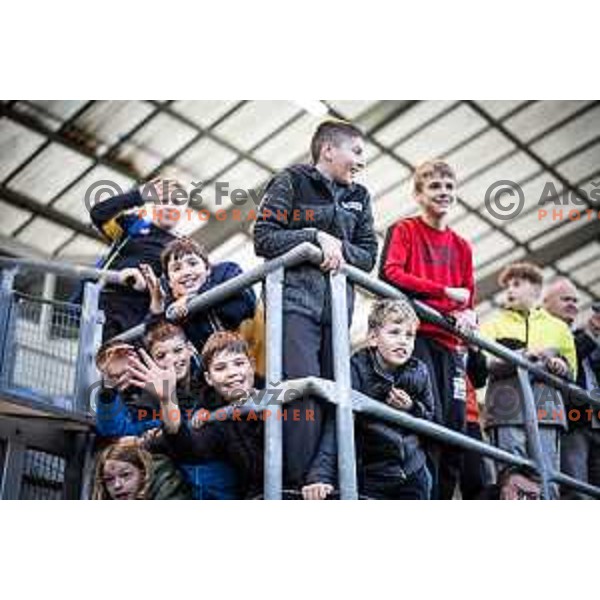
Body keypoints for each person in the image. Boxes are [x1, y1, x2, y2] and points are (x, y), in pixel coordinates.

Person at [253, 119, 378, 492]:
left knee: (335, 395)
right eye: (356, 152)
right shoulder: (291, 180)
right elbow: (264, 238)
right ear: (327, 149)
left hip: (339, 313)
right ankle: (294, 485)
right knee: (302, 392)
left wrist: (336, 247)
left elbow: (368, 256)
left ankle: (323, 479)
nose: (361, 162)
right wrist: (314, 237)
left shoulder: (362, 196)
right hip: (293, 305)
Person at [379, 160, 476, 499]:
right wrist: (444, 294)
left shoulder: (462, 246)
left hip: (450, 347)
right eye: (435, 187)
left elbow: (468, 299)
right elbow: (391, 274)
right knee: (426, 422)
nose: (444, 193)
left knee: (454, 428)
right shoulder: (404, 230)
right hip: (417, 338)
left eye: (449, 186)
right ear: (418, 195)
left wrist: (469, 315)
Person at [94, 321, 239, 499]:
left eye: (177, 351)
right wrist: (109, 384)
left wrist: (155, 439)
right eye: (161, 355)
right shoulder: (147, 401)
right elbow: (114, 430)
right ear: (151, 362)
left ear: (190, 349)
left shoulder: (214, 386)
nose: (171, 360)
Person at [481, 262, 577, 498]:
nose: (509, 291)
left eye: (516, 284)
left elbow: (572, 373)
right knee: (510, 482)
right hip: (505, 412)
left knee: (547, 480)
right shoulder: (492, 324)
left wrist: (561, 366)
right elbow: (484, 365)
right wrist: (519, 357)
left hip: (547, 413)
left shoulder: (559, 328)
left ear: (535, 289)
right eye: (508, 286)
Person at [351, 298, 434, 499]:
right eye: (394, 332)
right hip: (372, 474)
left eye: (409, 335)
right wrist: (322, 475)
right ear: (373, 337)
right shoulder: (357, 367)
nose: (403, 340)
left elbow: (431, 417)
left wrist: (412, 408)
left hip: (414, 470)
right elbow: (340, 421)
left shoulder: (419, 371)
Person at [140, 237, 258, 364]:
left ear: (207, 269)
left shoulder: (227, 271)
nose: (186, 272)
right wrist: (157, 304)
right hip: (217, 371)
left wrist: (192, 299)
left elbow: (246, 299)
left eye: (192, 263)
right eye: (177, 268)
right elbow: (154, 340)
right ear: (169, 282)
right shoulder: (172, 308)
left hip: (257, 351)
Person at [89, 178, 180, 340]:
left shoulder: (181, 248)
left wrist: (147, 284)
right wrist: (138, 196)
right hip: (102, 302)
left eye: (176, 202)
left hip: (136, 316)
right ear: (154, 205)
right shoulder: (133, 225)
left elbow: (177, 287)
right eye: (164, 201)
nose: (169, 207)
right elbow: (98, 214)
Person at [544, 280, 600, 497]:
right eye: (566, 299)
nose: (573, 304)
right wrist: (590, 334)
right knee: (577, 492)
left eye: (576, 300)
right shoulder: (543, 327)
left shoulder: (578, 335)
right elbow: (567, 360)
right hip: (572, 423)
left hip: (593, 421)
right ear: (546, 303)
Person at [92, 438, 190, 500]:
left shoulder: (167, 488)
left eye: (125, 475)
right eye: (109, 480)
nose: (117, 485)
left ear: (143, 473)